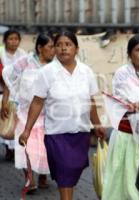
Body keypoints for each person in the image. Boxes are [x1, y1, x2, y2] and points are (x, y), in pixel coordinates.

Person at [18, 31, 106, 200]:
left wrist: (97, 125)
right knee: (65, 172)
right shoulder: (47, 72)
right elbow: (37, 102)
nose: (63, 48)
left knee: (74, 169)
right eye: (59, 45)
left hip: (80, 133)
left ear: (77, 49)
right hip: (56, 134)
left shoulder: (86, 71)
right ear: (55, 49)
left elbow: (91, 101)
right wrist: (27, 130)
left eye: (68, 44)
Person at [101, 34, 139, 200]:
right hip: (128, 137)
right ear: (129, 54)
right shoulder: (122, 74)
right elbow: (130, 105)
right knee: (128, 185)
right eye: (138, 50)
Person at [1, 33, 55, 192]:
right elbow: (8, 76)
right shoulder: (26, 61)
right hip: (25, 113)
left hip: (49, 115)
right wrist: (6, 101)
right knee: (25, 146)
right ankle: (29, 178)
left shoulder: (55, 66)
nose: (53, 50)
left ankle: (44, 176)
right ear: (40, 48)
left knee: (45, 148)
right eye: (50, 47)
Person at [0, 29, 27, 161]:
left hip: (18, 92)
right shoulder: (1, 53)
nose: (14, 42)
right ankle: (8, 147)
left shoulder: (23, 55)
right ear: (5, 41)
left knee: (16, 120)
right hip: (2, 91)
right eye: (11, 39)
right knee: (5, 119)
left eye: (16, 39)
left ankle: (14, 148)